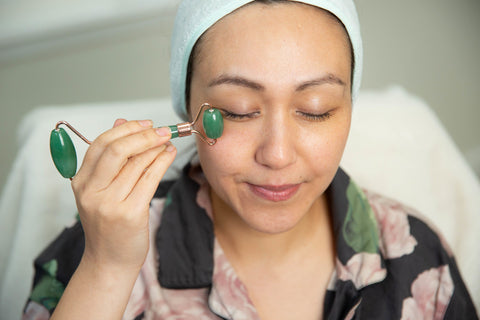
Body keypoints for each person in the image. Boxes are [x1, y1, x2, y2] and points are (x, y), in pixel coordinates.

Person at [23, 0, 478, 319]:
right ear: (188, 109)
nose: (277, 155)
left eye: (315, 109)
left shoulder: (417, 257)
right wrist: (106, 270)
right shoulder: (99, 248)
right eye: (238, 111)